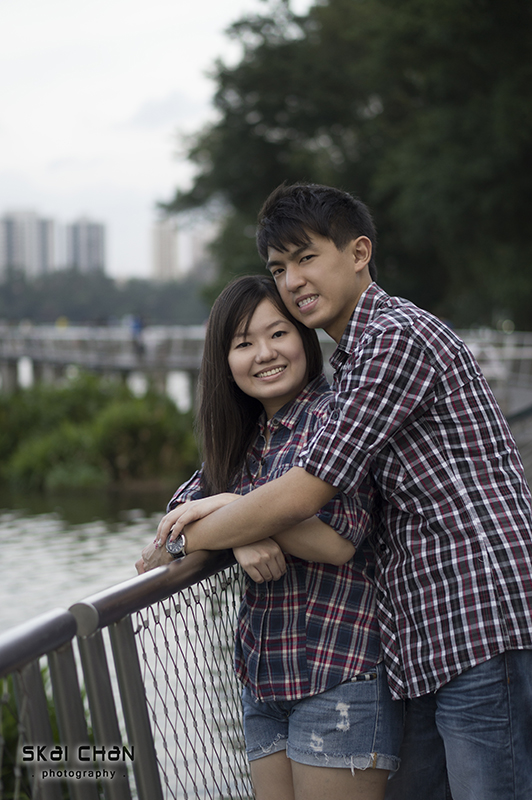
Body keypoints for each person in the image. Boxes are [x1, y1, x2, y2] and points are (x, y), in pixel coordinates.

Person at [159, 183, 532, 800]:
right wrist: (223, 519)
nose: (293, 280)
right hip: (422, 634)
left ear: (359, 253)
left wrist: (224, 512)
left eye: (307, 257)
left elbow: (308, 492)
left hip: (477, 614)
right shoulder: (352, 361)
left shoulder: (392, 339)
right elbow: (193, 516)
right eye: (279, 267)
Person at [137, 275, 404, 800]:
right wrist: (235, 536)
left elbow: (336, 541)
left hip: (340, 674)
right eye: (243, 344)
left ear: (304, 338)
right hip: (262, 682)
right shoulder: (240, 443)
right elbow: (163, 544)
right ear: (225, 362)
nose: (264, 354)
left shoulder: (335, 420)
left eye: (277, 334)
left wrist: (235, 509)